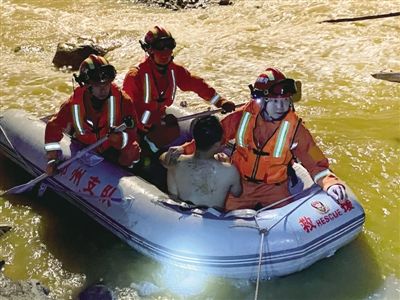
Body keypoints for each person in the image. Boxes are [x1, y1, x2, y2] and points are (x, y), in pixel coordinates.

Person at [166, 67, 348, 211]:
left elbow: (315, 161)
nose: (281, 107)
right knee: (225, 222)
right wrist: (184, 149)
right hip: (240, 185)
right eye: (275, 102)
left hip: (274, 188)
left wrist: (330, 183)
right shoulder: (242, 116)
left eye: (285, 101)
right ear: (261, 102)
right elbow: (211, 140)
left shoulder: (295, 128)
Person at [122, 25, 236, 151]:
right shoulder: (135, 76)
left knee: (173, 131)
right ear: (150, 50)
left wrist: (220, 101)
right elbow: (130, 112)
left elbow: (197, 85)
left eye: (169, 46)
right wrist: (158, 120)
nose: (165, 53)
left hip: (158, 119)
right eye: (160, 47)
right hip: (137, 127)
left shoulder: (174, 70)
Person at [44, 54, 141, 175]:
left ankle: (126, 174)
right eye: (97, 85)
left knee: (133, 150)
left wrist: (119, 139)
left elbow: (132, 134)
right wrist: (52, 158)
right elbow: (54, 127)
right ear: (86, 85)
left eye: (106, 84)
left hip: (109, 146)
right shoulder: (73, 104)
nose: (103, 89)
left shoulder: (124, 101)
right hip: (82, 146)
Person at [160, 115, 242, 209]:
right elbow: (237, 193)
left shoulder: (175, 162)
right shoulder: (230, 171)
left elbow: (173, 196)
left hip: (179, 217)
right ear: (217, 144)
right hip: (210, 221)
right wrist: (227, 163)